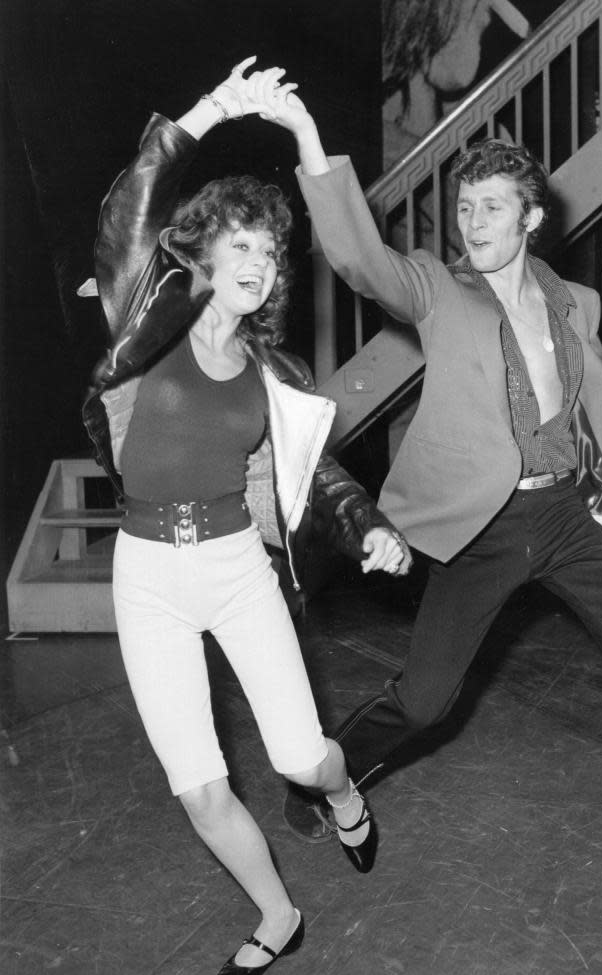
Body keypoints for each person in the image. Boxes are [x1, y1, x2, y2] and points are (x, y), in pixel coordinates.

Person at [249, 67, 602, 903]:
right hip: (480, 527)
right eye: (465, 206)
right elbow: (357, 256)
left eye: (493, 205)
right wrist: (309, 144)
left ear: (530, 218)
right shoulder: (437, 289)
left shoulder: (575, 306)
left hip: (562, 511)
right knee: (423, 703)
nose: (473, 220)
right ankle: (326, 773)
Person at [81, 58, 412, 975]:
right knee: (200, 788)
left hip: (235, 567)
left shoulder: (275, 372)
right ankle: (279, 912)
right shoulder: (143, 317)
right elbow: (129, 208)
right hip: (147, 574)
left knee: (306, 757)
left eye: (272, 253)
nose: (263, 267)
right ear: (201, 255)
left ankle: (345, 799)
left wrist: (368, 525)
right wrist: (216, 110)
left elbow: (321, 471)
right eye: (245, 248)